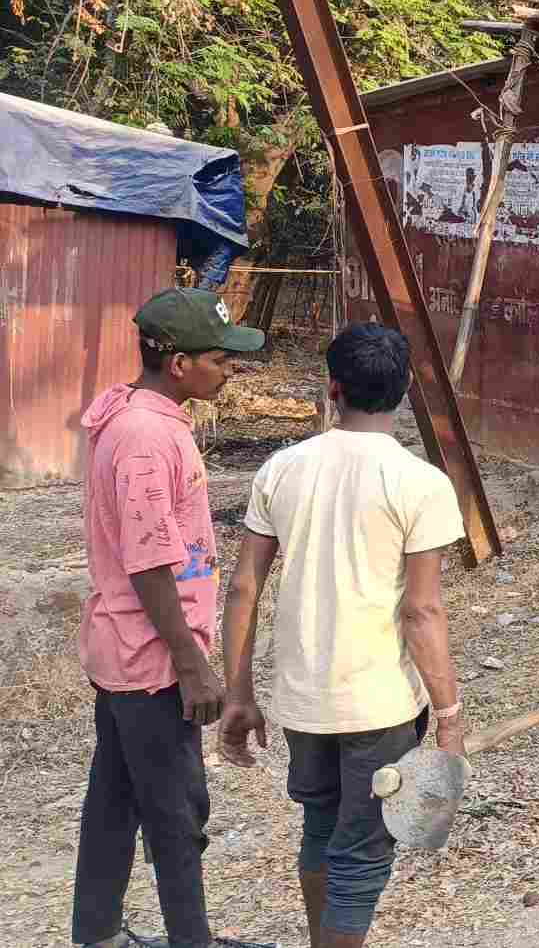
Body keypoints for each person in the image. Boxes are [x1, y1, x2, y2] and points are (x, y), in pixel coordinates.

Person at [216, 323, 464, 948]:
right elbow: (422, 612)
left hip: (303, 701)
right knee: (361, 855)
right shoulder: (421, 483)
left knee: (320, 831)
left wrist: (238, 693)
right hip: (378, 705)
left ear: (332, 389)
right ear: (405, 390)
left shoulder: (281, 469)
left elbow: (244, 586)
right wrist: (450, 715)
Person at [72, 288, 267, 948]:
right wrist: (193, 666)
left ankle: (95, 933)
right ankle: (193, 939)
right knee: (176, 812)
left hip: (124, 649)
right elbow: (150, 560)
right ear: (178, 363)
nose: (230, 368)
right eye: (219, 358)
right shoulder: (148, 437)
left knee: (115, 800)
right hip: (152, 657)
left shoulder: (135, 415)